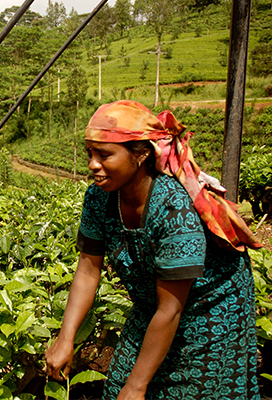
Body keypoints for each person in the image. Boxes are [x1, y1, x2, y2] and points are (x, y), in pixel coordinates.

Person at [45, 100, 261, 399]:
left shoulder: (172, 207)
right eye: (90, 154)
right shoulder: (99, 196)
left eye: (104, 154)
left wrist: (137, 385)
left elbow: (171, 309)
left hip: (210, 305)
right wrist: (65, 338)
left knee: (193, 389)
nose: (93, 164)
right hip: (153, 304)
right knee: (119, 385)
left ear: (141, 154)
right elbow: (88, 267)